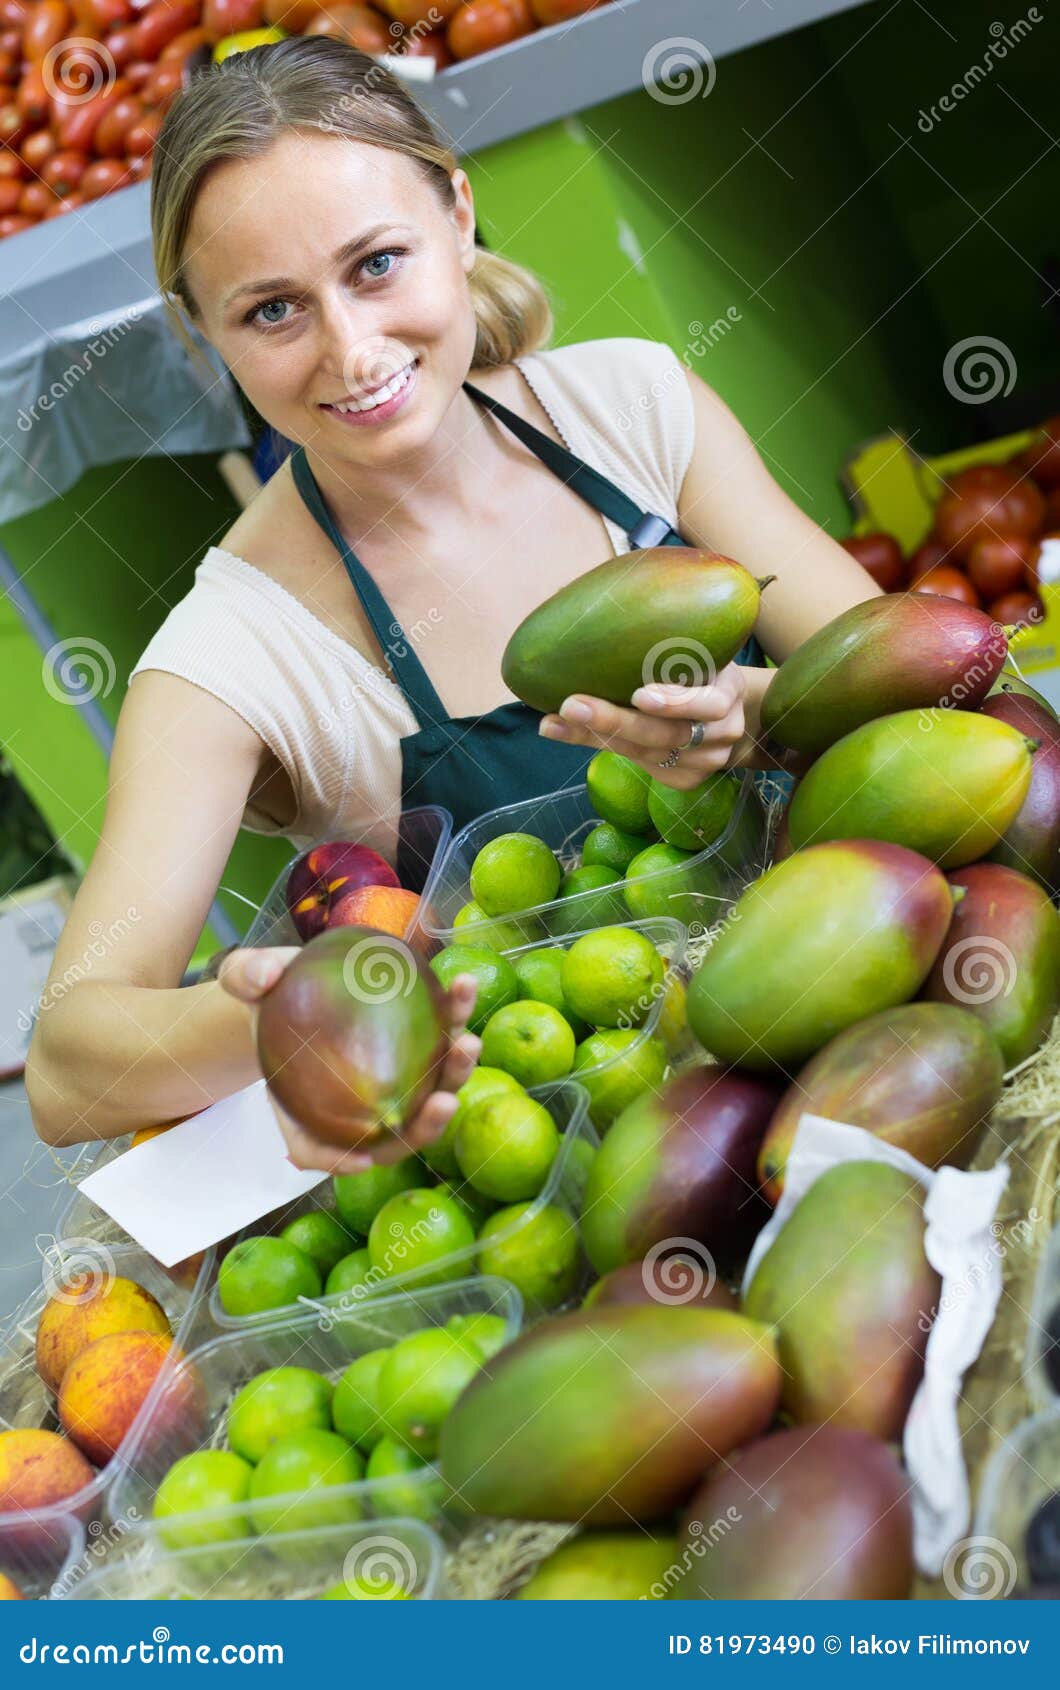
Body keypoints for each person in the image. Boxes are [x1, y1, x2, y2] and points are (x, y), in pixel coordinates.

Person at [26, 37, 879, 1172]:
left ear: (459, 215)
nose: (351, 348)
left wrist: (763, 713)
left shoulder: (630, 412)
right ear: (202, 334)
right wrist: (289, 1020)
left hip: (871, 995)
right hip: (607, 1147)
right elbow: (66, 1065)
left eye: (376, 264)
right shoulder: (228, 655)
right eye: (272, 312)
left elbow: (925, 681)